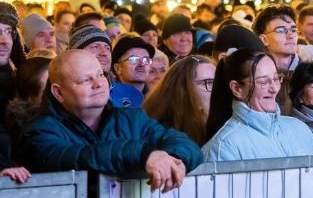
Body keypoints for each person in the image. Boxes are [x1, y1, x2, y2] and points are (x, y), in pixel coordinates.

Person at [18, 51, 202, 193]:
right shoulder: (38, 132)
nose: (98, 84)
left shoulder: (132, 118)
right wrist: (143, 155)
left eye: (100, 75)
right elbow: (79, 157)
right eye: (85, 80)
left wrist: (174, 160)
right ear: (58, 92)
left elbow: (184, 144)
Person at [202, 49, 313, 161]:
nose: (274, 88)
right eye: (263, 82)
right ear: (237, 89)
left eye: (276, 78)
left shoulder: (299, 128)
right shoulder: (224, 146)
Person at [144, 55, 215, 146]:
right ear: (183, 90)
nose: (217, 90)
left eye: (218, 82)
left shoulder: (219, 128)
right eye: (209, 83)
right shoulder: (163, 135)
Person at [253, 5, 301, 113]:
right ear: (264, 39)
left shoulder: (308, 73)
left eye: (293, 30)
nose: (290, 35)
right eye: (281, 30)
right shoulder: (254, 74)